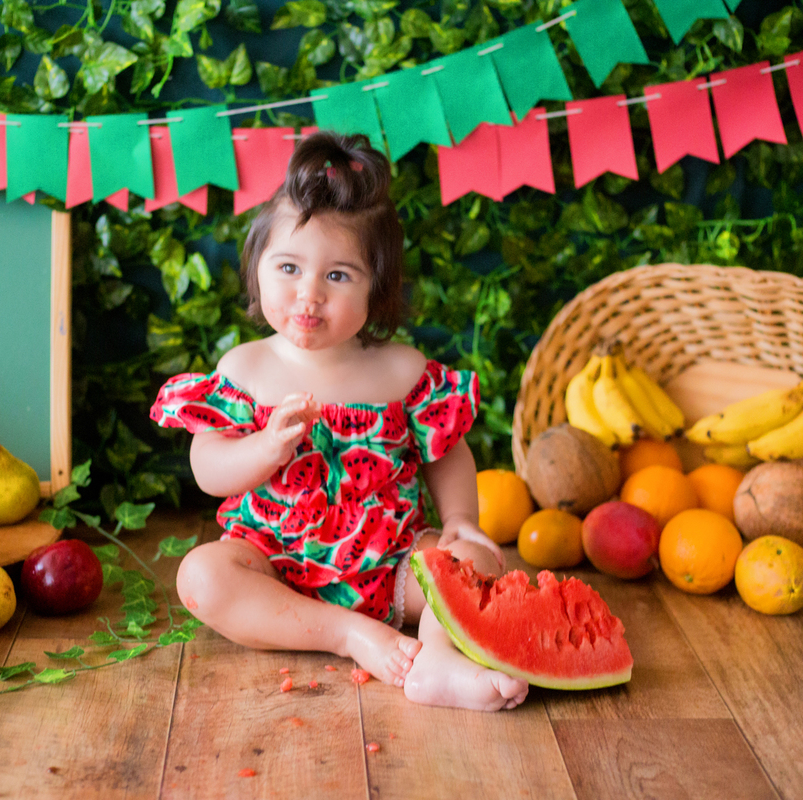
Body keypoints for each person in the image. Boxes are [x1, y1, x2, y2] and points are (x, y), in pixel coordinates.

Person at [151, 131, 528, 711]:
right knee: (201, 577)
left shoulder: (401, 371)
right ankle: (346, 634)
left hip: (393, 564)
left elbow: (447, 451)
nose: (309, 295)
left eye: (338, 276)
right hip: (274, 569)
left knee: (475, 564)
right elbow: (208, 468)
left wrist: (459, 520)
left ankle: (437, 660)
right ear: (257, 268)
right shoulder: (245, 369)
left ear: (377, 288)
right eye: (288, 267)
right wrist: (265, 448)